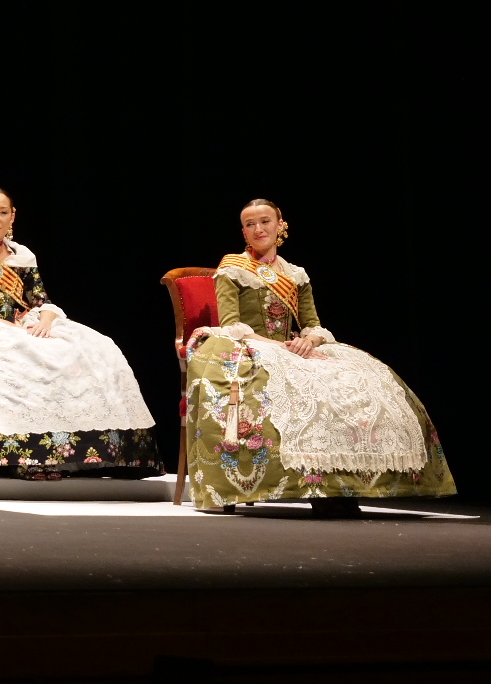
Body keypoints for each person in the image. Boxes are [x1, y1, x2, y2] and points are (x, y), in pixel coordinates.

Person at [182, 199, 453, 513]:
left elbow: (312, 324)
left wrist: (309, 342)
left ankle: (339, 488)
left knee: (355, 380)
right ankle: (297, 485)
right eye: (250, 224)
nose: (259, 229)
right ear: (243, 231)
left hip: (296, 347)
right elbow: (232, 325)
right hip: (251, 343)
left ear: (281, 225)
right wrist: (277, 346)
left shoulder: (295, 274)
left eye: (265, 221)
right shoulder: (233, 267)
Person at [0, 187, 160, 479]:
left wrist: (46, 321)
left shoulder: (22, 255)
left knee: (94, 346)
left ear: (13, 216)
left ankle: (67, 455)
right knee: (12, 354)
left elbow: (40, 301)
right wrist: (6, 326)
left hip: (21, 323)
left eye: (2, 213)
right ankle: (11, 456)